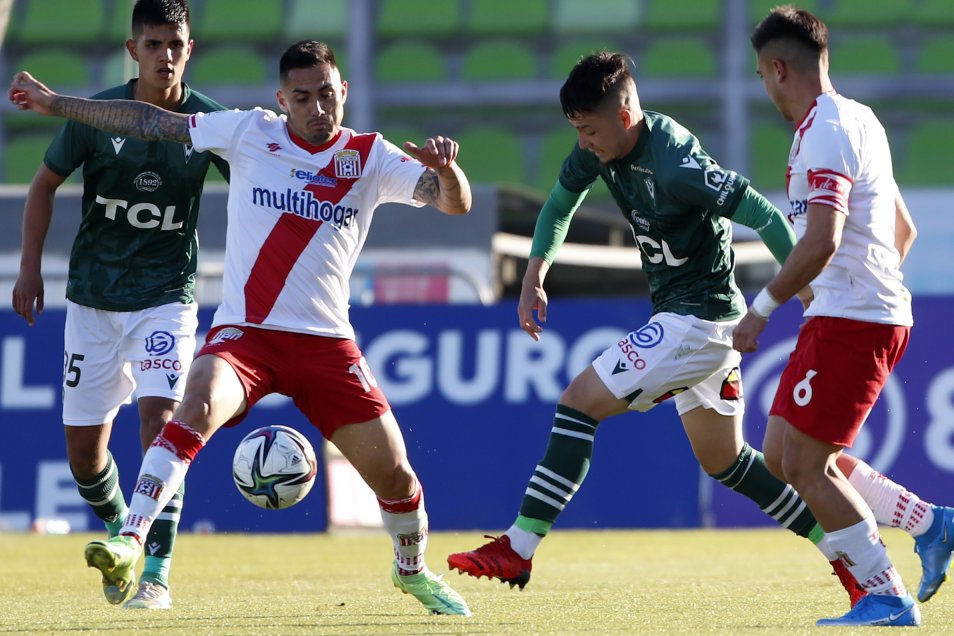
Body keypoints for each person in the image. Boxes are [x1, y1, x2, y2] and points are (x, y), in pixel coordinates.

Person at [445, 50, 953, 611]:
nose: (584, 143)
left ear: (626, 113)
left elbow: (760, 211)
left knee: (578, 401)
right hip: (694, 320)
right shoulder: (602, 150)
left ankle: (519, 545)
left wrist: (808, 291)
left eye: (590, 131)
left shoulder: (675, 160)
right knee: (727, 460)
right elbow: (561, 202)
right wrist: (534, 273)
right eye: (578, 133)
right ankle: (850, 563)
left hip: (699, 320)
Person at [10, 39, 472, 617]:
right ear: (283, 99)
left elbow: (454, 204)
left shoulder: (369, 156)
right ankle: (131, 542)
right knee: (195, 404)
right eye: (302, 97)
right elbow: (149, 119)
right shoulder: (251, 131)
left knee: (397, 476)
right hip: (246, 335)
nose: (317, 108)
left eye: (327, 94)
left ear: (344, 92)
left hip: (325, 343)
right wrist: (60, 104)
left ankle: (412, 570)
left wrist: (448, 173)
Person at [734, 5, 954, 627]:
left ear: (779, 69)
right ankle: (930, 523)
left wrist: (763, 309)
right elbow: (901, 229)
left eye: (760, 74)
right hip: (850, 311)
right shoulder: (858, 119)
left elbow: (824, 239)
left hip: (854, 319)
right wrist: (863, 283)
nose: (763, 87)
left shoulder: (825, 130)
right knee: (782, 454)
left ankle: (886, 595)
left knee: (805, 464)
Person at [10, 0, 228, 610]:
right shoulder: (96, 115)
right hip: (93, 301)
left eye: (175, 45)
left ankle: (155, 570)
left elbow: (259, 189)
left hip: (166, 296)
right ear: (133, 50)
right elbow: (44, 184)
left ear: (191, 48)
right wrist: (31, 267)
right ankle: (118, 533)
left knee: (161, 426)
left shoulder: (208, 123)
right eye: (153, 45)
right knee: (85, 456)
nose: (165, 56)